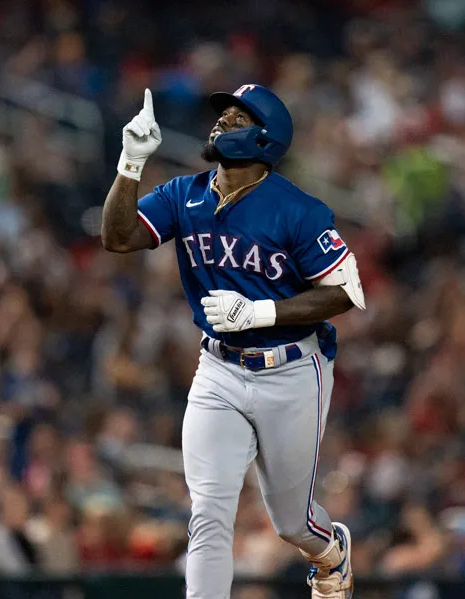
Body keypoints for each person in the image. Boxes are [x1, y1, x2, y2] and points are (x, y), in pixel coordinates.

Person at [101, 85, 365, 599]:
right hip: (218, 370)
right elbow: (118, 237)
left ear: (265, 139)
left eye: (237, 117)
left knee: (292, 523)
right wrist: (130, 163)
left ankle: (331, 551)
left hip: (292, 370)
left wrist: (259, 311)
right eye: (222, 114)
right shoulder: (183, 194)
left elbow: (346, 291)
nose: (221, 121)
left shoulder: (297, 209)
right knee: (208, 512)